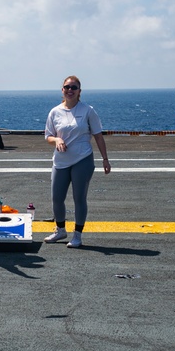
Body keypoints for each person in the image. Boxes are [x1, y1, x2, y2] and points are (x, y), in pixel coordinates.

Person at [43, 76, 111, 248]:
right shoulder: (55, 112)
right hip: (60, 161)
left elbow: (98, 135)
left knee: (79, 198)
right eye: (67, 87)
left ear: (79, 91)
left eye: (74, 87)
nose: (70, 90)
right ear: (62, 90)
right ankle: (60, 230)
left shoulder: (88, 110)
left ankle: (78, 235)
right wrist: (56, 140)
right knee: (56, 198)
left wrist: (105, 159)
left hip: (82, 159)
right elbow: (48, 136)